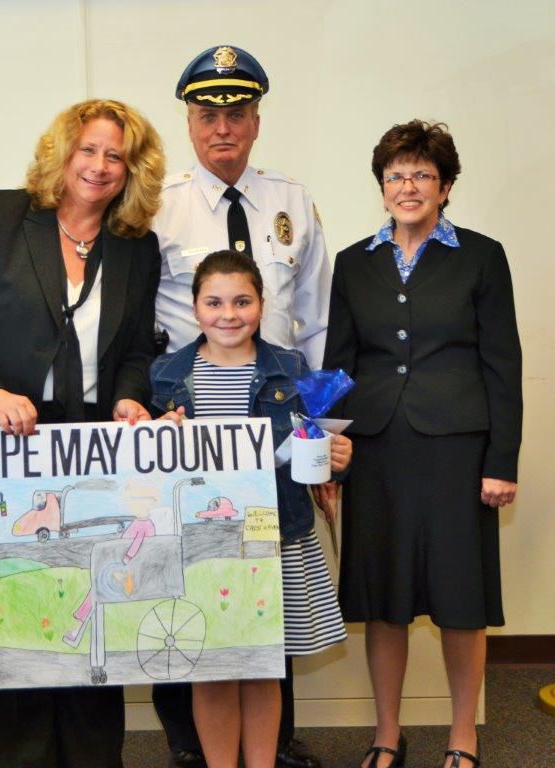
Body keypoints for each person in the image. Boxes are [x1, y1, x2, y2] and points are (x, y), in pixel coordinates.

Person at [0, 98, 165, 768]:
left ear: (131, 171)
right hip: (1, 446)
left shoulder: (135, 248)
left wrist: (128, 399)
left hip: (89, 447)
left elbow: (140, 350)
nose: (100, 165)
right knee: (17, 619)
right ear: (62, 153)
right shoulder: (0, 217)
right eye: (88, 149)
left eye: (116, 155)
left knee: (93, 616)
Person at [153, 44, 333, 768]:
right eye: (206, 115)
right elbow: (145, 326)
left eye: (234, 114)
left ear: (255, 120)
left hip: (278, 429)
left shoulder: (291, 200)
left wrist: (319, 436)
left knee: (271, 611)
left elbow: (316, 320)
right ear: (189, 125)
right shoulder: (158, 205)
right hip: (191, 431)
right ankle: (194, 752)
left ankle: (269, 751)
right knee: (192, 602)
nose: (221, 128)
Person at [322, 120, 522, 768]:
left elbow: (501, 366)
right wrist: (323, 454)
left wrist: (500, 462)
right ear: (381, 188)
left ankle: (462, 736)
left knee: (459, 602)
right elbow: (338, 365)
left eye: (421, 175)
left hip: (456, 455)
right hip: (376, 454)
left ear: (445, 187)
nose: (407, 186)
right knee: (385, 603)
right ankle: (387, 734)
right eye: (395, 175)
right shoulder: (353, 263)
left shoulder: (481, 256)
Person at [151, 250, 350, 768]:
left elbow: (315, 450)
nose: (228, 314)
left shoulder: (291, 367)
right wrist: (155, 438)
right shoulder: (166, 375)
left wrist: (337, 457)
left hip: (275, 536)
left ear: (262, 305)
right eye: (214, 302)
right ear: (194, 308)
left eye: (242, 301)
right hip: (200, 542)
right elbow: (144, 470)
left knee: (264, 665)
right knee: (212, 666)